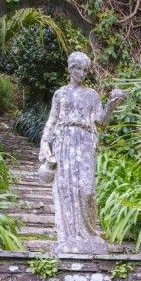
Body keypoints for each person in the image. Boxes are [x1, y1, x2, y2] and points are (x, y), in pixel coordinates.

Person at [39, 51, 126, 254]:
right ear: (71, 69)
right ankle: (68, 238)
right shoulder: (61, 93)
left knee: (87, 190)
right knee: (66, 190)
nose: (83, 73)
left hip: (85, 142)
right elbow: (52, 121)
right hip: (64, 142)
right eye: (79, 69)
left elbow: (101, 120)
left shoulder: (92, 95)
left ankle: (89, 234)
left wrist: (112, 105)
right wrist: (45, 144)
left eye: (86, 70)